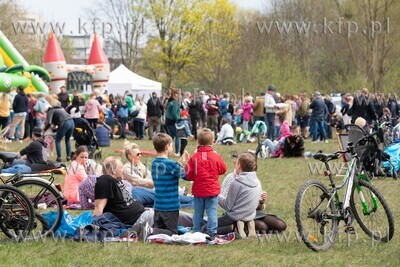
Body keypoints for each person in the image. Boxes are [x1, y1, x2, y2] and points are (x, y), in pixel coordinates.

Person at [185, 128, 227, 239]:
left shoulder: (194, 157)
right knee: (212, 212)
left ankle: (196, 230)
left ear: (198, 142)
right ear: (212, 141)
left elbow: (188, 174)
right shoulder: (215, 156)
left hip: (198, 190)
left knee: (198, 212)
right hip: (212, 190)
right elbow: (223, 169)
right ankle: (212, 232)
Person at [149, 133, 190, 237]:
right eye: (171, 145)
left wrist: (179, 162)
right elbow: (185, 176)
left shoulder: (154, 163)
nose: (172, 147)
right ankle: (150, 230)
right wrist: (184, 162)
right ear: (167, 146)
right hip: (170, 206)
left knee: (160, 230)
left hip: (158, 205)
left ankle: (152, 231)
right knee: (172, 232)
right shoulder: (171, 164)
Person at [216, 152, 262, 235]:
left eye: (236, 163)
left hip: (234, 216)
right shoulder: (257, 182)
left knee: (206, 228)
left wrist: (216, 194)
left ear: (239, 165)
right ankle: (248, 225)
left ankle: (234, 228)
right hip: (250, 216)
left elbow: (228, 206)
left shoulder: (236, 183)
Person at [94, 156, 146, 226]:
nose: (123, 170)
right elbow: (98, 207)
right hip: (139, 219)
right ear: (113, 170)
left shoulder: (117, 181)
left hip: (142, 215)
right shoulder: (105, 180)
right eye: (121, 167)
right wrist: (93, 227)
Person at [164, 88, 181, 155]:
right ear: (175, 95)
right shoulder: (174, 103)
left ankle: (167, 151)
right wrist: (178, 120)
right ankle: (177, 152)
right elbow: (174, 113)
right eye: (178, 95)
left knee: (169, 138)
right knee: (177, 136)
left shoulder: (169, 102)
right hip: (173, 121)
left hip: (168, 121)